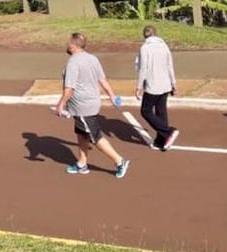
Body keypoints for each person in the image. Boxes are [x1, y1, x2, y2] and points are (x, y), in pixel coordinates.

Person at [55, 32, 130, 179]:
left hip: (83, 107)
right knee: (81, 133)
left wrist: (60, 104)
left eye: (68, 43)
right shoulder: (92, 58)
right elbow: (102, 79)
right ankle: (82, 164)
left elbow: (69, 88)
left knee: (95, 136)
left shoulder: (73, 63)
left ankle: (120, 161)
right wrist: (112, 95)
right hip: (91, 103)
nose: (67, 45)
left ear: (73, 45)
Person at [135, 24, 180, 151]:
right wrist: (174, 84)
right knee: (161, 112)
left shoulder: (145, 48)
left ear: (144, 36)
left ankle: (168, 132)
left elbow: (143, 68)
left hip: (153, 85)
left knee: (146, 111)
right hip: (166, 84)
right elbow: (170, 66)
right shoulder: (164, 46)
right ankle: (162, 141)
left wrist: (139, 86)